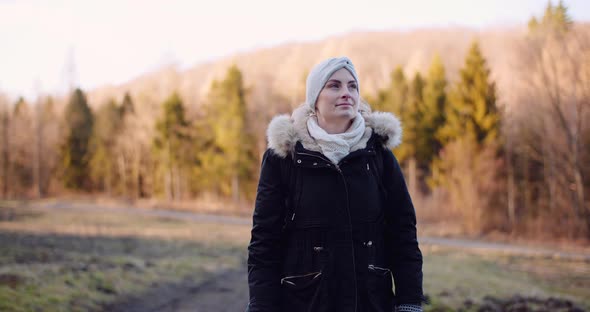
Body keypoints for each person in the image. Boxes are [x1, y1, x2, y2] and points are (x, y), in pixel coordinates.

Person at [247, 57, 424, 312]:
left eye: (352, 86)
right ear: (315, 98)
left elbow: (403, 234)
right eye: (334, 86)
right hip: (304, 303)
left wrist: (409, 302)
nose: (346, 93)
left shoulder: (378, 154)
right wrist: (261, 305)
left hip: (370, 303)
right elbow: (264, 241)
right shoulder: (284, 157)